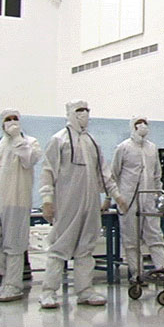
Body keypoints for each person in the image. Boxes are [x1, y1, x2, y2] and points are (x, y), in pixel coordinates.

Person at [38, 100, 124, 309]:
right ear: (70, 113)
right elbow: (48, 171)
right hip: (67, 202)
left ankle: (85, 291)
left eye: (87, 110)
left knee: (86, 247)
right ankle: (48, 292)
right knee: (60, 246)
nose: (84, 114)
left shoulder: (92, 141)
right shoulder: (59, 140)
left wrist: (116, 195)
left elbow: (103, 172)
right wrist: (47, 200)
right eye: (79, 110)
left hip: (90, 202)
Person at [0, 109, 42, 302]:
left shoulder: (30, 143)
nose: (12, 122)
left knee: (15, 245)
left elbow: (29, 161)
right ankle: (11, 272)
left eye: (15, 119)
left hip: (17, 201)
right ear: (2, 123)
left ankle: (13, 286)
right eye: (8, 119)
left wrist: (17, 139)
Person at [111, 116, 164, 282]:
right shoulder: (123, 148)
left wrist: (158, 197)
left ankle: (162, 271)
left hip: (149, 200)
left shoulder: (152, 148)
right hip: (128, 201)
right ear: (132, 127)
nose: (142, 126)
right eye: (138, 123)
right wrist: (112, 198)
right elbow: (113, 175)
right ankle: (137, 275)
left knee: (155, 237)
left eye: (145, 123)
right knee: (131, 240)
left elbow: (156, 175)